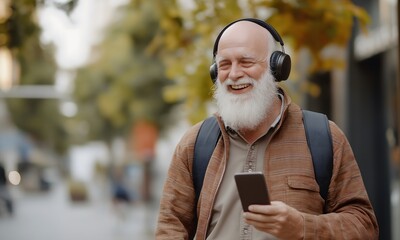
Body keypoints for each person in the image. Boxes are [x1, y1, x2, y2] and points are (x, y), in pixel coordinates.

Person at [155, 18, 379, 239]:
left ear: (277, 67)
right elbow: (169, 229)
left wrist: (302, 226)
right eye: (224, 64)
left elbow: (364, 226)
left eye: (246, 62)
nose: (233, 74)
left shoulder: (324, 137)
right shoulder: (195, 143)